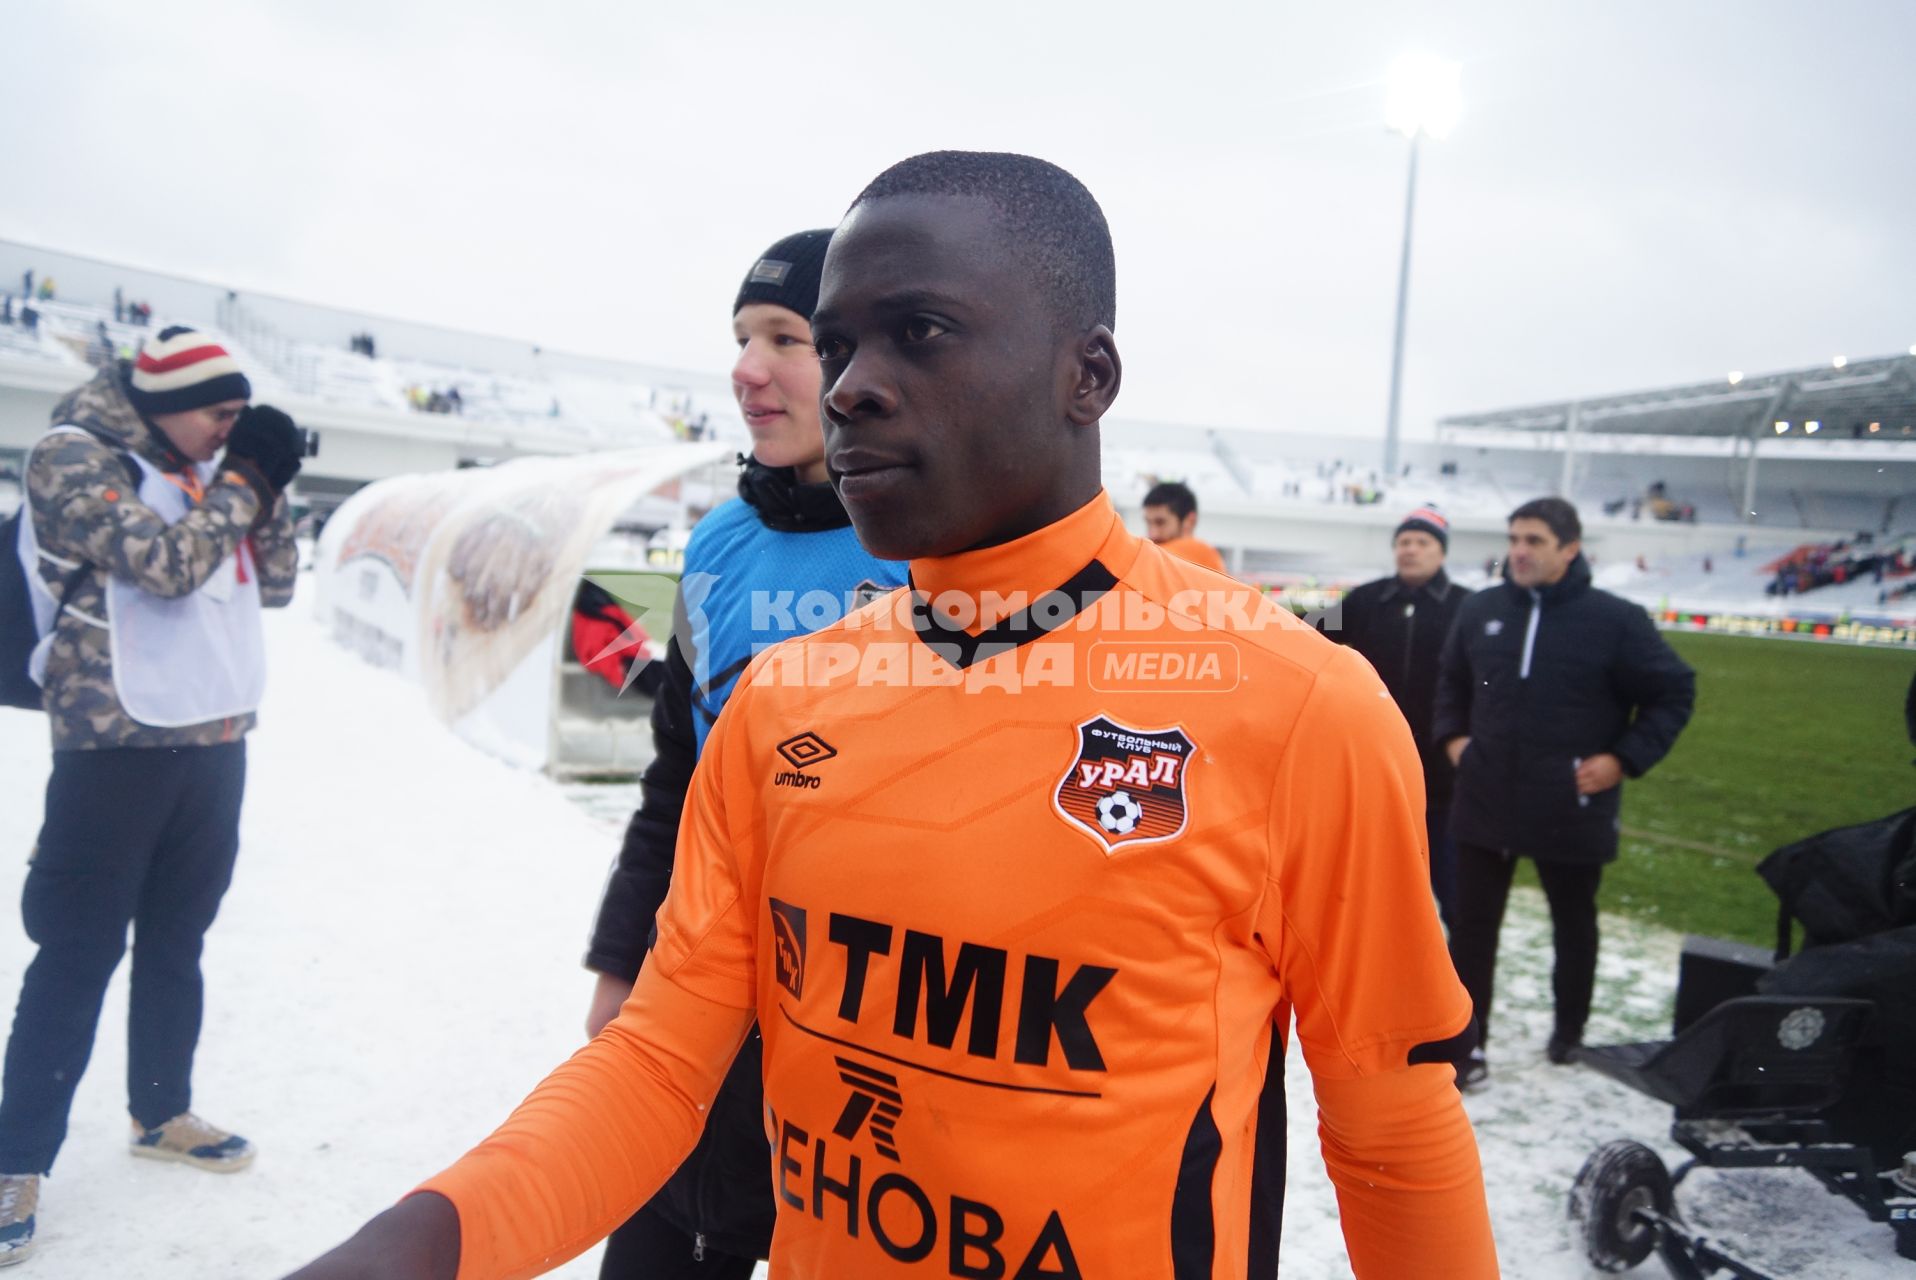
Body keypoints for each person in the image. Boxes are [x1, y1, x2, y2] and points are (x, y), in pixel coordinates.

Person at [290, 151, 1495, 1280]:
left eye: (917, 333)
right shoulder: (781, 700)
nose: (853, 386)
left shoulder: (1294, 704)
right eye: (838, 342)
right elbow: (659, 1066)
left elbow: (1391, 1127)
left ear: (1089, 375)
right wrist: (414, 1247)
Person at [581, 229, 907, 1280]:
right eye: (739, 337)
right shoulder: (716, 540)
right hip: (700, 979)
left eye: (785, 336)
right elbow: (675, 769)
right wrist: (620, 956)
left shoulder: (929, 546)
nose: (746, 368)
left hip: (865, 1021)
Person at [0, 327, 304, 1264]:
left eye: (234, 421)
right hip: (113, 744)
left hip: (214, 738)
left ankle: (161, 1110)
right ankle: (14, 1161)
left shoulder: (210, 469)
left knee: (180, 938)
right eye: (218, 413)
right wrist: (244, 481)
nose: (225, 432)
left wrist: (267, 481)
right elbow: (165, 562)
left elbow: (282, 582)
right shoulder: (72, 455)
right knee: (79, 949)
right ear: (167, 399)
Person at [1435, 497, 1695, 1088]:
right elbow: (1450, 682)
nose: (1519, 551)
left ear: (1570, 549)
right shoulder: (1481, 610)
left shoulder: (1616, 619)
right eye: (1514, 539)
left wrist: (1623, 759)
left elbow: (1675, 691)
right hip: (1486, 798)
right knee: (1472, 929)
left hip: (1571, 803)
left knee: (1573, 925)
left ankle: (1568, 1034)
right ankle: (1468, 1046)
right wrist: (1454, 741)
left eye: (1534, 541)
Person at [1327, 505, 1469, 927]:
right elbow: (1307, 640)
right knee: (1374, 895)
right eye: (1404, 542)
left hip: (1445, 778)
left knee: (1455, 894)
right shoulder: (1366, 599)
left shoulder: (1468, 606)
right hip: (1373, 772)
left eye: (1422, 542)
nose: (1411, 550)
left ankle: (1458, 984)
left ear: (1440, 552)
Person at [1140, 479, 1226, 573]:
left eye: (1161, 522)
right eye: (1148, 523)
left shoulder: (1202, 553)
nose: (1152, 534)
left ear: (1189, 521)